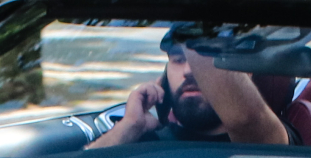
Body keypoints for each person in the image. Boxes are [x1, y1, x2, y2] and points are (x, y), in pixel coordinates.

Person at [87, 32, 291, 148]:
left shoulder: (271, 138)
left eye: (207, 61)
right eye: (178, 60)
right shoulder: (145, 140)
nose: (188, 71)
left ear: (245, 75)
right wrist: (129, 126)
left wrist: (171, 1)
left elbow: (245, 120)